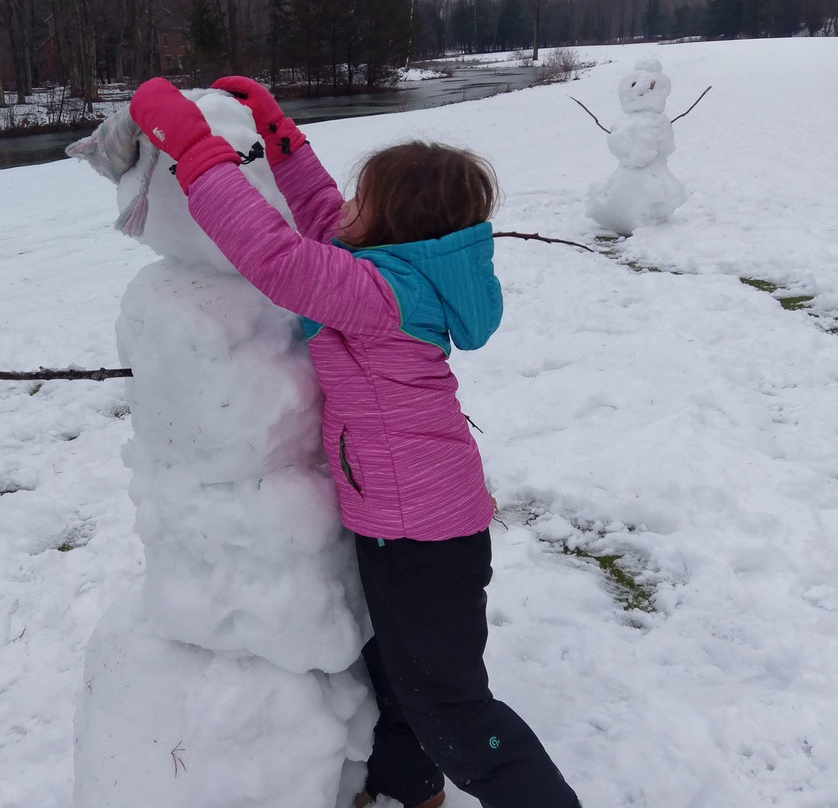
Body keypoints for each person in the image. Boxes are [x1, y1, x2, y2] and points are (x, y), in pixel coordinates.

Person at [128, 76, 581, 808]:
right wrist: (280, 138)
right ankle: (409, 785)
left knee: (450, 706)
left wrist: (194, 152)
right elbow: (320, 219)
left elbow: (273, 253)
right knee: (395, 667)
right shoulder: (402, 269)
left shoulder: (378, 294)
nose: (347, 207)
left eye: (363, 198)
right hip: (417, 520)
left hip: (420, 534)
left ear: (393, 223)